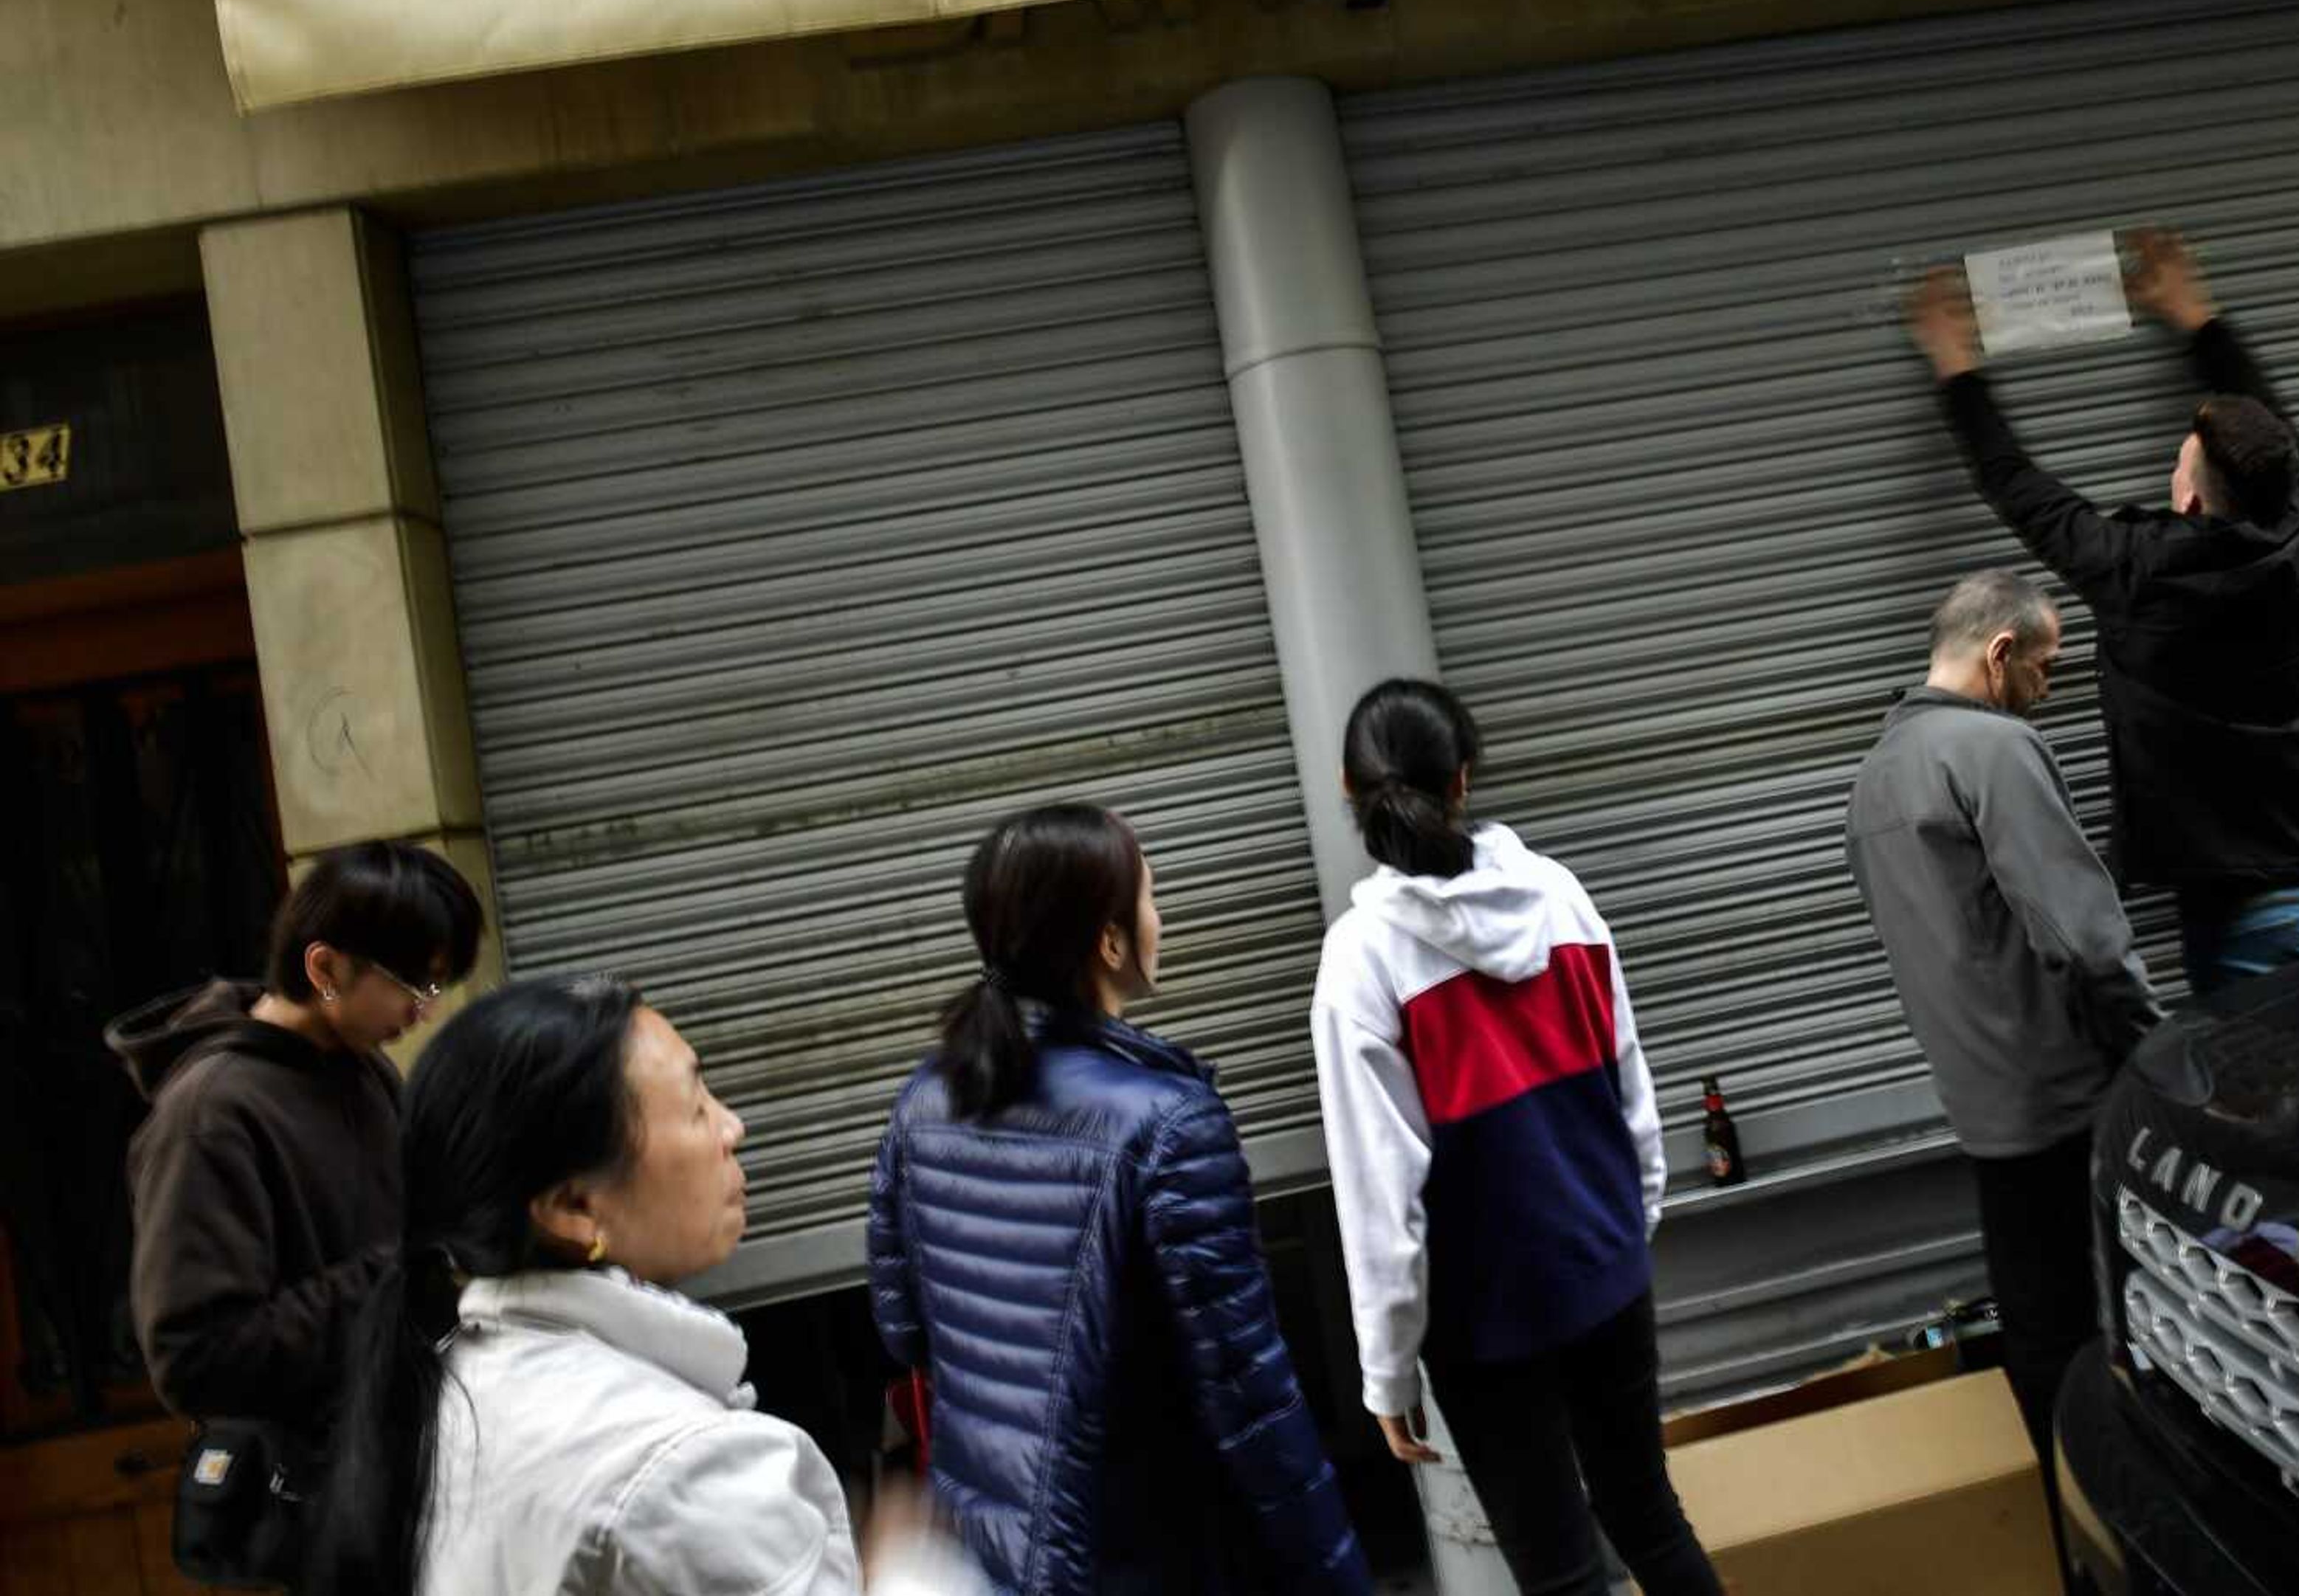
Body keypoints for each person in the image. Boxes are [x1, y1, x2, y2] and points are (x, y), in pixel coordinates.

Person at [311, 976, 951, 1596]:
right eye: (696, 1106)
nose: (733, 1128)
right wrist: (907, 1574)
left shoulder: (458, 1379)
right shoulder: (687, 1472)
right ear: (574, 1207)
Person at [868, 805, 1370, 1596]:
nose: (1159, 919)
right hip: (1143, 1551)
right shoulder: (1168, 1123)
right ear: (1109, 940)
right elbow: (1250, 1397)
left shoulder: (924, 1099)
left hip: (989, 1543)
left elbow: (904, 1329)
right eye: (1151, 897)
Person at [1314, 679, 1723, 1596]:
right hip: (1605, 1268)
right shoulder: (1559, 895)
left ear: (1350, 787)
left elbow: (1382, 1194)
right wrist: (1627, 1224)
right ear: (1464, 779)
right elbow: (1632, 1087)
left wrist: (1387, 1371)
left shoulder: (1360, 959)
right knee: (1650, 1516)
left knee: (1558, 1571)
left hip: (1485, 1317)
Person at [1907, 229, 2299, 998]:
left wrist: (1952, 359)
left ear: (2192, 497)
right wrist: (2197, 314)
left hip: (2247, 915)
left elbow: (2017, 483)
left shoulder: (2135, 570)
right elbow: (2275, 430)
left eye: (2180, 458)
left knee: (2270, 1109)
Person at [1843, 571, 2164, 1471]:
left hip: (1985, 1112)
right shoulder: (1994, 750)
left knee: (2039, 1329)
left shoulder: (1873, 780)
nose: (2047, 688)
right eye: (2047, 666)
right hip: (2072, 1097)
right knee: (2131, 1322)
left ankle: (2073, 1513)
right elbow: (2083, 935)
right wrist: (2156, 1045)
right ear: (1999, 654)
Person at [109, 840, 484, 1586]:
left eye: (439, 983)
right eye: (413, 980)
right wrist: (401, 1273)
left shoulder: (363, 1070)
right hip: (329, 1515)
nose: (424, 1008)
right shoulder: (210, 1113)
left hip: (423, 1487)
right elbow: (197, 1356)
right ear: (324, 968)